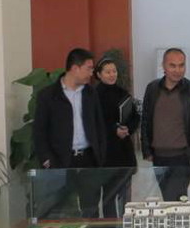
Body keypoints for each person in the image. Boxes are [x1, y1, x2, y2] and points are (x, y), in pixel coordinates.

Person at [33, 48, 107, 217]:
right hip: (60, 161)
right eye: (89, 68)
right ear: (75, 68)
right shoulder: (48, 96)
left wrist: (100, 155)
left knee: (91, 209)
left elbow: (99, 126)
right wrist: (47, 160)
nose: (92, 73)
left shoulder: (91, 93)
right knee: (60, 209)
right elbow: (39, 132)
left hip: (89, 159)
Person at [141, 48, 190, 202]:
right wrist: (146, 150)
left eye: (181, 65)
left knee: (177, 201)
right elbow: (145, 120)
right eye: (172, 65)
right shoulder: (152, 89)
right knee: (167, 199)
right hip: (158, 158)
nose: (177, 70)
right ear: (163, 66)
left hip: (182, 159)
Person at [95, 57, 139, 217]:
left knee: (125, 193)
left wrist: (128, 128)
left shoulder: (123, 93)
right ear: (99, 74)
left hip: (124, 151)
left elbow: (135, 116)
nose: (112, 74)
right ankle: (110, 227)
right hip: (106, 153)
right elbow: (96, 121)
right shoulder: (94, 95)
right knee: (109, 195)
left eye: (114, 71)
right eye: (107, 72)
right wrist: (114, 130)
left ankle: (126, 224)